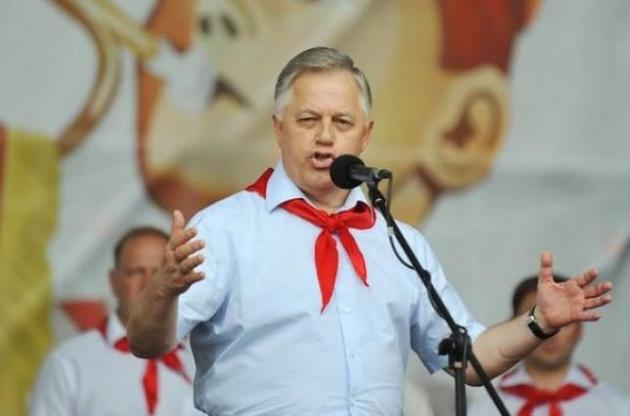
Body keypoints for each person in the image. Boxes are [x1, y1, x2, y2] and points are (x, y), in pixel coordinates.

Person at [127, 46, 613, 415]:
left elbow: (469, 359)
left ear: (365, 134)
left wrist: (539, 322)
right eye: (308, 120)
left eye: (341, 121)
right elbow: (147, 342)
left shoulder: (398, 242)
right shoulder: (225, 229)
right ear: (278, 129)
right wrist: (163, 290)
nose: (325, 136)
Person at [30, 227, 204, 416]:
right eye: (136, 272)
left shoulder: (206, 359)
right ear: (113, 281)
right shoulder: (68, 364)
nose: (149, 283)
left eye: (160, 272)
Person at [468, 275, 630, 415]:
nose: (551, 334)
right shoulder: (481, 411)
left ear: (580, 329)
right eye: (537, 321)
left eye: (563, 321)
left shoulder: (618, 408)